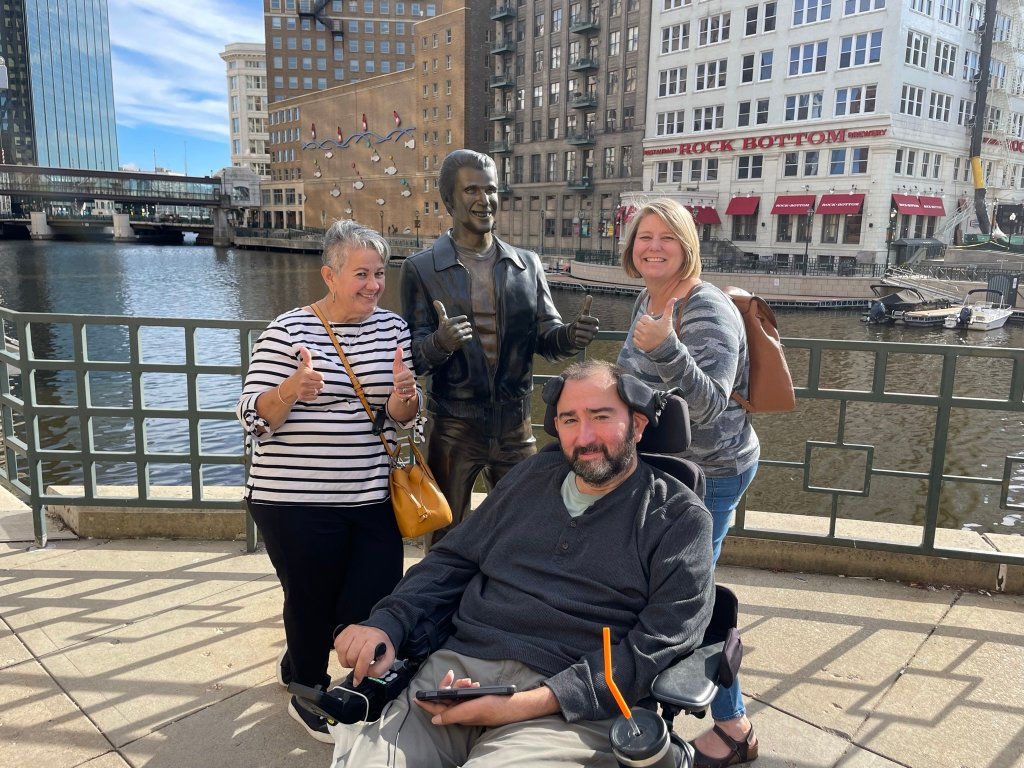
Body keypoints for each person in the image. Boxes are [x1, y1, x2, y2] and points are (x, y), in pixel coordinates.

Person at [330, 359, 714, 767]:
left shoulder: (678, 517)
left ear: (637, 425)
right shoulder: (531, 476)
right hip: (456, 674)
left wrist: (531, 702)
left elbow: (660, 641)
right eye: (569, 420)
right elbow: (452, 560)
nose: (584, 437)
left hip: (569, 704)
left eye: (601, 417)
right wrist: (388, 623)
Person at [235, 219, 421, 743]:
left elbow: (404, 420)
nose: (373, 285)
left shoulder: (393, 329)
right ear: (330, 275)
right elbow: (251, 418)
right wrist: (290, 390)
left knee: (375, 592)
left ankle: (305, 653)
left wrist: (405, 400)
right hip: (294, 499)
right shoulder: (288, 331)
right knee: (311, 597)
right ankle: (307, 689)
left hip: (370, 493)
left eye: (379, 273)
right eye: (361, 274)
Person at [616, 199, 760, 767]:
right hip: (662, 470)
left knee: (693, 595)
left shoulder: (706, 308)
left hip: (712, 473)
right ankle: (646, 692)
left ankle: (734, 724)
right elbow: (632, 377)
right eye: (644, 237)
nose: (653, 247)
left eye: (666, 237)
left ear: (687, 246)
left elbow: (710, 404)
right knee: (661, 584)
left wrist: (666, 348)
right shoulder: (648, 297)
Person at [400, 149, 599, 544]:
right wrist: (439, 343)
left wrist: (569, 336)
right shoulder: (420, 269)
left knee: (525, 531)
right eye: (471, 190)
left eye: (490, 189)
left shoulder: (527, 264)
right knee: (446, 535)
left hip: (515, 425)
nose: (484, 199)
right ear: (449, 201)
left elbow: (546, 335)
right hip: (453, 427)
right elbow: (413, 357)